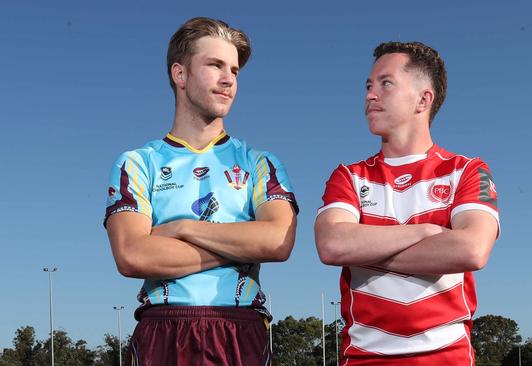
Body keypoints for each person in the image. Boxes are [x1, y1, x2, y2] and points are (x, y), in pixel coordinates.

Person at [104, 17, 298, 366]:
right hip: (163, 328)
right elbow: (133, 255)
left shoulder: (261, 163)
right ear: (180, 75)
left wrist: (181, 229)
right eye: (215, 65)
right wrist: (242, 245)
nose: (229, 80)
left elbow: (277, 241)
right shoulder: (136, 163)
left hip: (239, 328)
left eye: (235, 71)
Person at [315, 42, 499, 365]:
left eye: (386, 83)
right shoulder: (348, 176)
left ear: (423, 100)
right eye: (369, 86)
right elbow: (332, 245)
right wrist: (425, 232)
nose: (370, 95)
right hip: (364, 359)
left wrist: (368, 249)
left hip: (448, 358)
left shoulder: (467, 170)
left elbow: (471, 250)